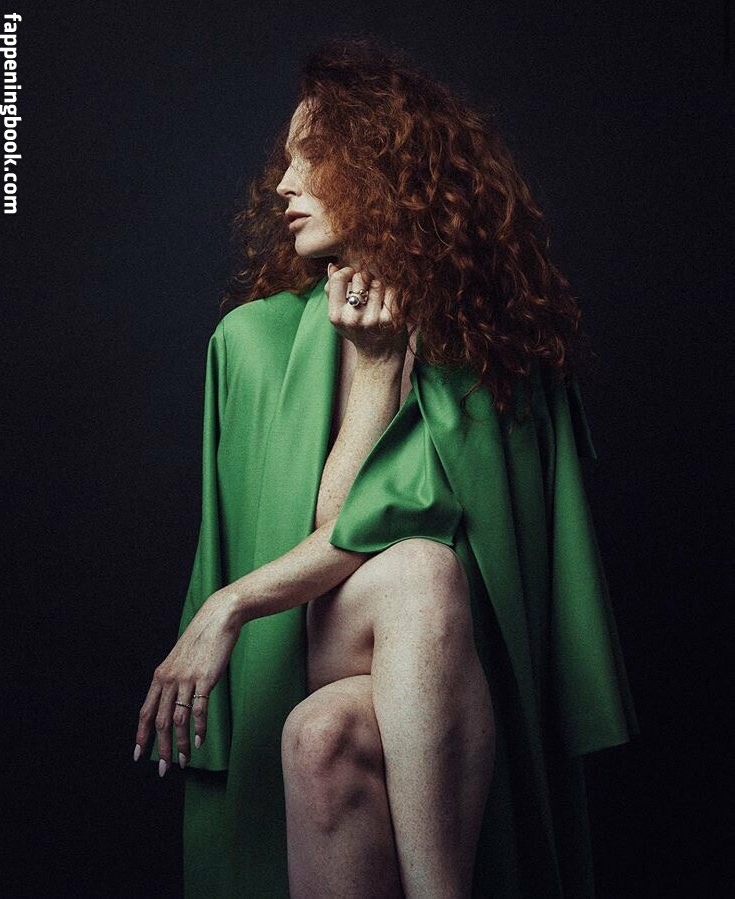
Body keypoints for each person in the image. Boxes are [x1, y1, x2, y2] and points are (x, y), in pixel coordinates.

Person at [133, 37, 639, 898]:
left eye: (313, 156)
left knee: (327, 732)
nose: (284, 183)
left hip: (448, 678)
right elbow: (333, 540)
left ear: (385, 170)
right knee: (414, 570)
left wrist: (229, 602)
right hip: (296, 641)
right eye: (285, 160)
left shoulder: (496, 356)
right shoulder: (251, 344)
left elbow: (495, 584)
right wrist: (369, 374)